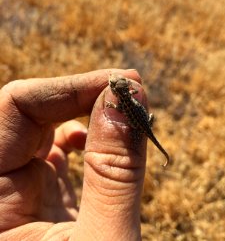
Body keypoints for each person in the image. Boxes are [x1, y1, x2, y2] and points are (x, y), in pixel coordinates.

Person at [0, 69, 147, 241]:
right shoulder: (130, 93)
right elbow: (132, 95)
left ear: (116, 91)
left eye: (114, 84)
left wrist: (113, 108)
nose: (111, 82)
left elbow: (118, 107)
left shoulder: (122, 101)